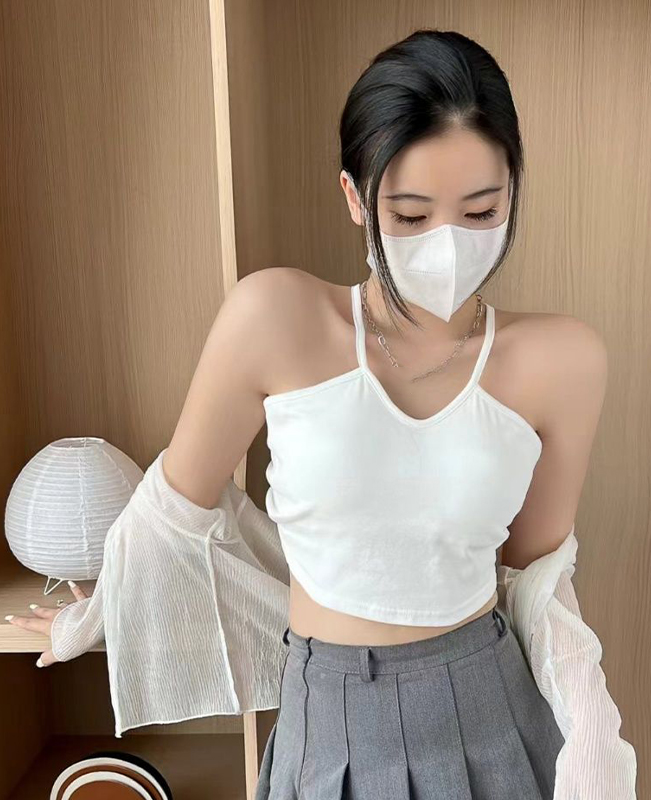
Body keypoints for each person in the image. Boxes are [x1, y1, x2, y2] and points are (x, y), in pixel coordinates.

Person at [9, 29, 614, 799]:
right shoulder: (275, 316)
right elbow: (171, 510)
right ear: (355, 197)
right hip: (325, 722)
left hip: (487, 713)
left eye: (481, 209)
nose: (448, 243)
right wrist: (95, 617)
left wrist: (593, 740)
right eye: (411, 214)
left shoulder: (562, 360)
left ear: (513, 191)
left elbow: (536, 581)